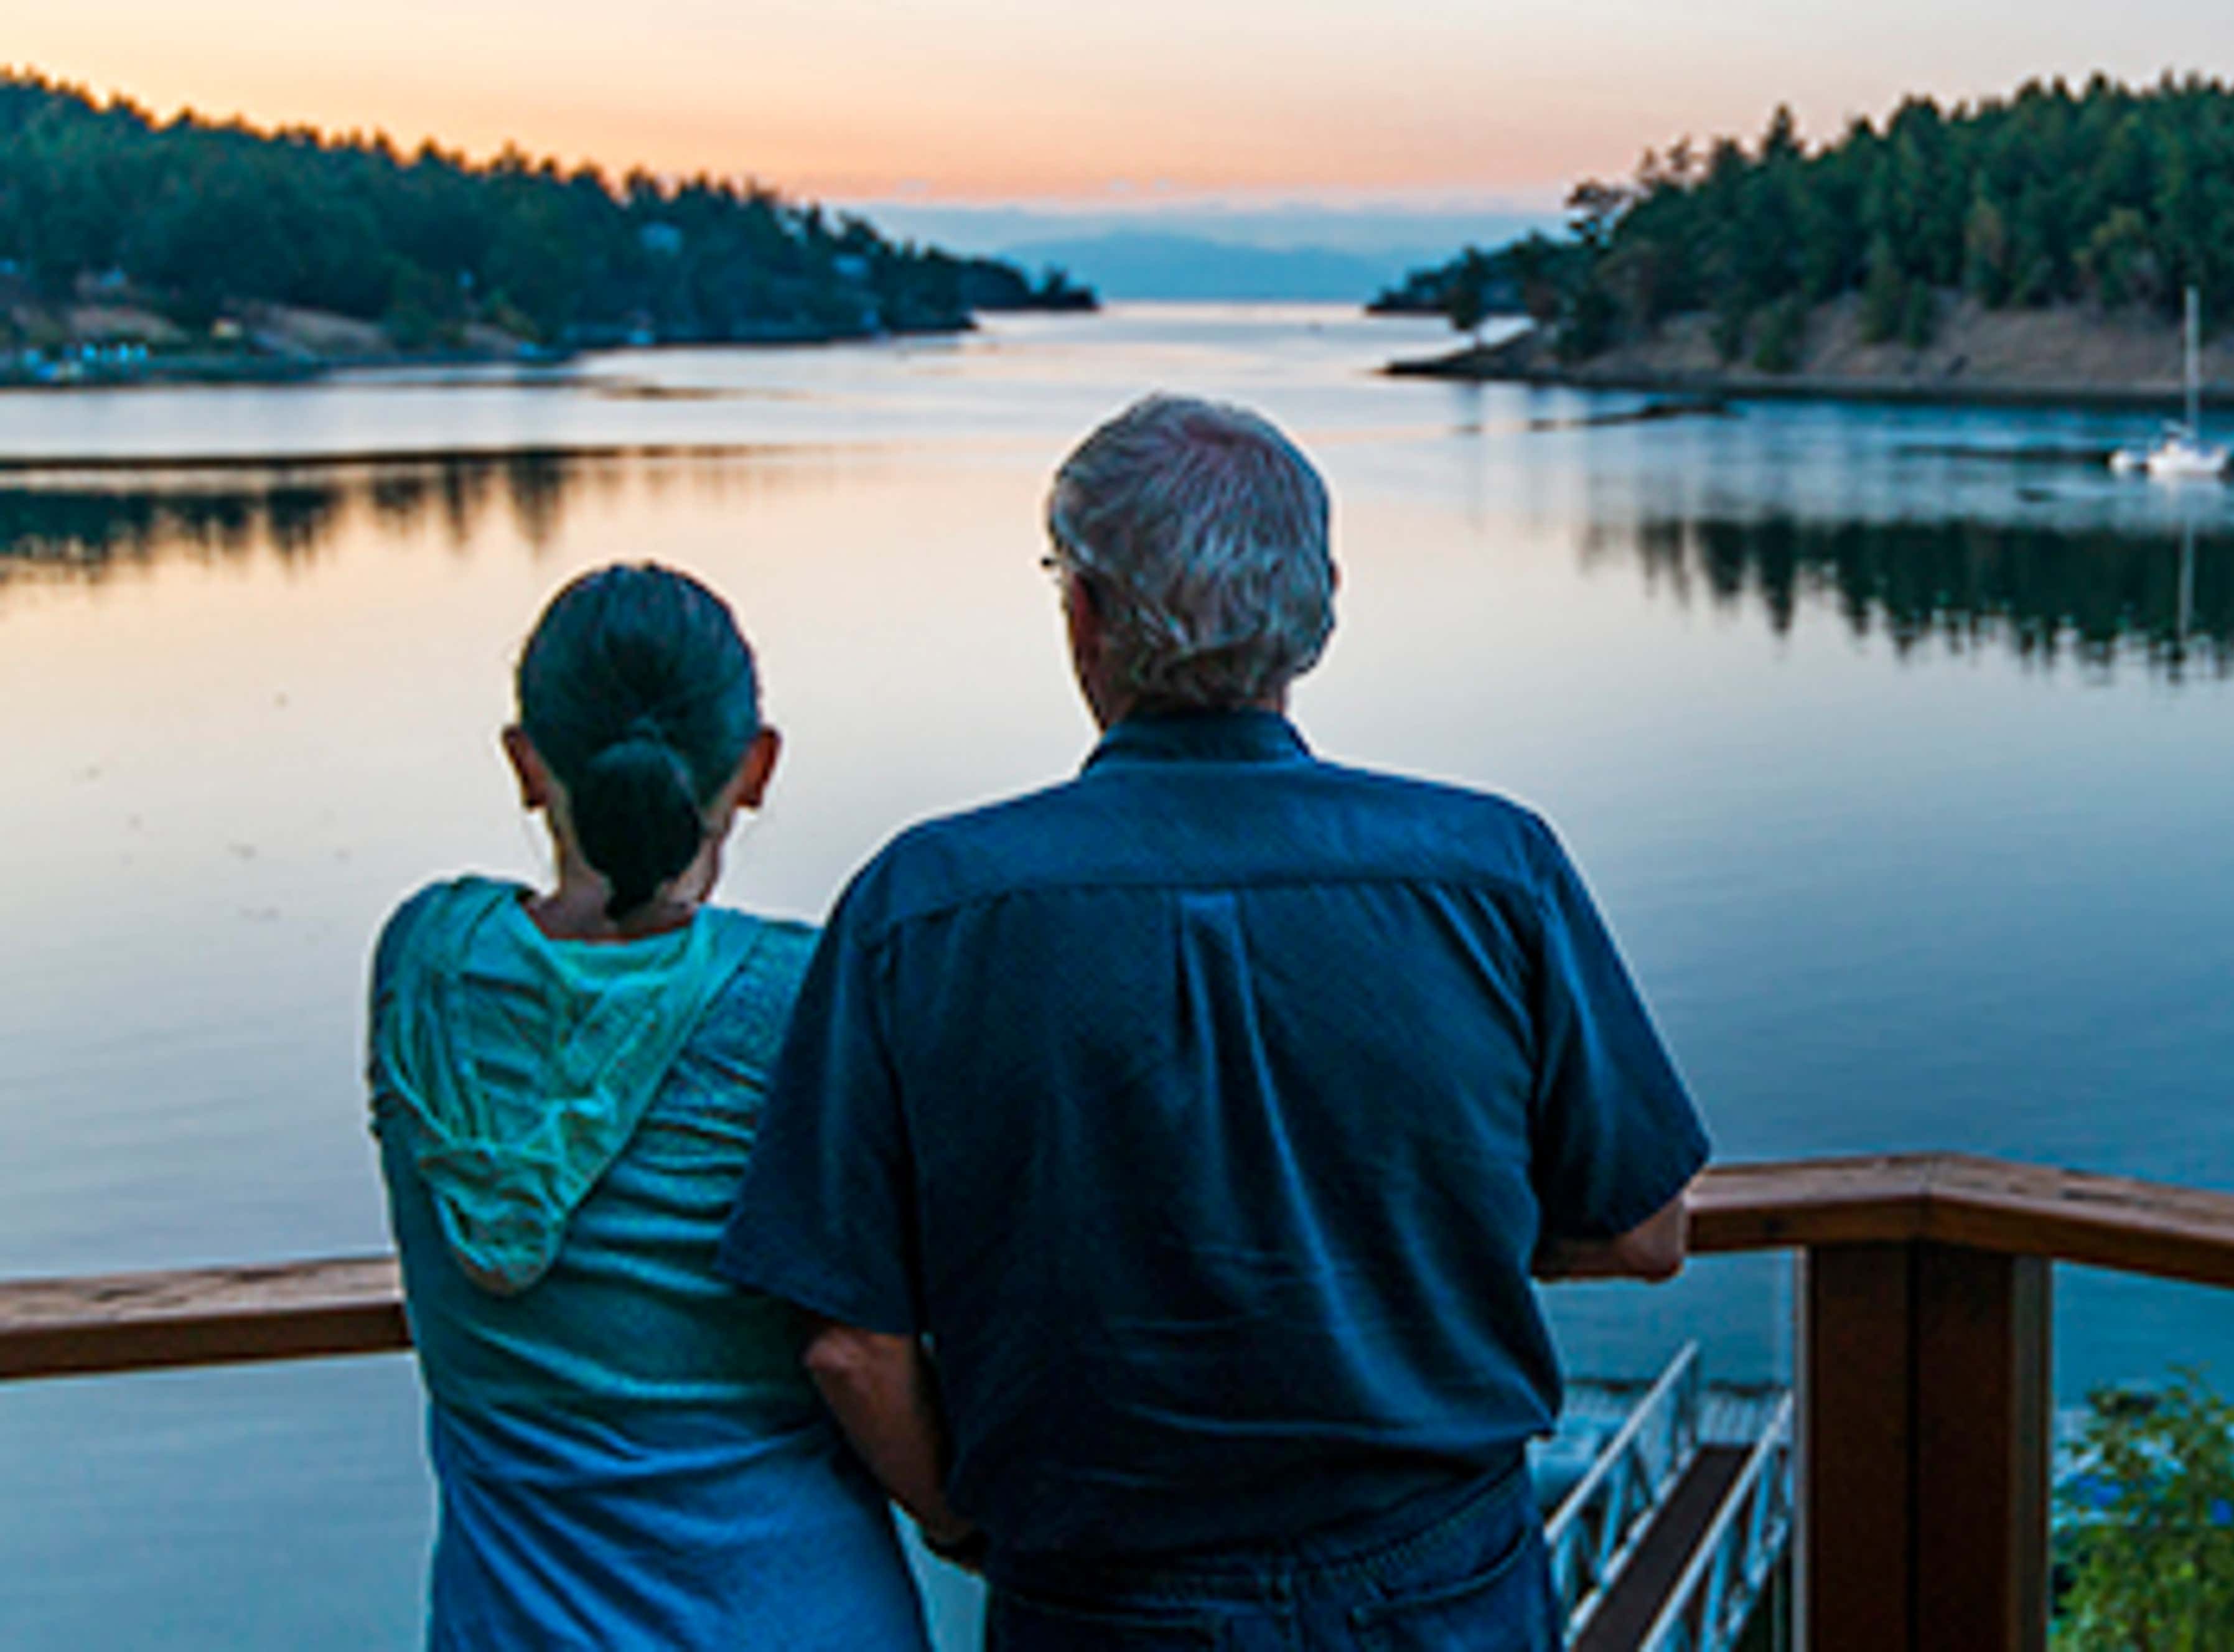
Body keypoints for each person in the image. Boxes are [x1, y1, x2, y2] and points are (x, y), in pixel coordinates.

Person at [721, 396, 1711, 1650]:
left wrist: (966, 1523)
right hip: (1440, 1582)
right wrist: (1438, 1232)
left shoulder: (925, 904)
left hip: (1101, 1596)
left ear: (1081, 615)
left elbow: (851, 1346)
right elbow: (1646, 1226)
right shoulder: (1490, 871)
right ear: (1321, 609)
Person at [368, 563, 934, 1650]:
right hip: (800, 1616)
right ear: (757, 766)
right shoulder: (805, 998)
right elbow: (856, 1341)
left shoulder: (422, 966)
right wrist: (957, 1520)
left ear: (528, 765)